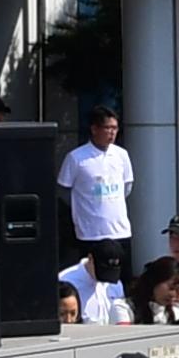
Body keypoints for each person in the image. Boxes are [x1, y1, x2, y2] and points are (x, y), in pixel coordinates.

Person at [59, 107, 134, 277]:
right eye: (107, 128)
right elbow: (64, 190)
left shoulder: (122, 155)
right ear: (94, 129)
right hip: (90, 232)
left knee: (121, 279)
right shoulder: (76, 157)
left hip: (119, 230)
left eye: (115, 128)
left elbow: (127, 187)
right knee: (91, 278)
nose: (112, 133)